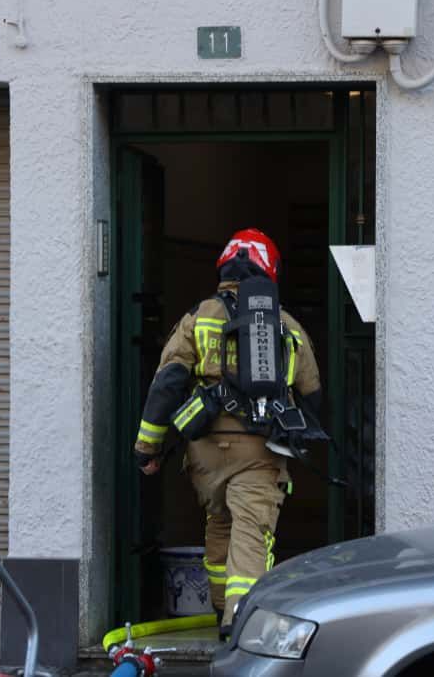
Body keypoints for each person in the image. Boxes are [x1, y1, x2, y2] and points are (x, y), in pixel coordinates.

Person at [133, 228, 324, 638]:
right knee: (251, 532)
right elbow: (311, 394)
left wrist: (147, 446)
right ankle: (241, 623)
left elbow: (166, 384)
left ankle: (221, 607)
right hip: (259, 451)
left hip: (204, 454)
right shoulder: (286, 325)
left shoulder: (197, 318)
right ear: (269, 270)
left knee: (219, 523)